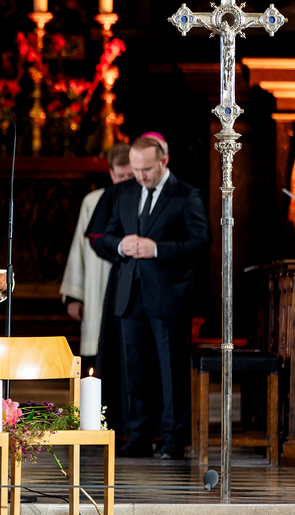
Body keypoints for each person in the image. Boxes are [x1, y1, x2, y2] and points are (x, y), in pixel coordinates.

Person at [100, 136, 211, 459]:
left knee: (171, 370)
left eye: (146, 169)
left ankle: (173, 439)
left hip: (168, 295)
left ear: (164, 161)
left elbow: (201, 242)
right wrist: (121, 245)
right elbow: (108, 236)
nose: (140, 176)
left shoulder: (186, 195)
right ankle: (139, 435)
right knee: (135, 369)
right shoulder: (126, 192)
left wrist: (157, 249)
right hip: (130, 293)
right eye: (136, 170)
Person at [60, 144, 132, 369]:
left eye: (130, 176)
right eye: (121, 176)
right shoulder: (93, 201)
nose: (125, 181)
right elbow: (80, 248)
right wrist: (74, 296)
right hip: (98, 282)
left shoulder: (142, 199)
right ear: (111, 173)